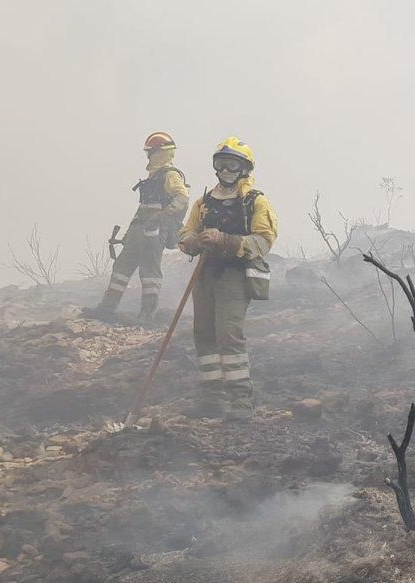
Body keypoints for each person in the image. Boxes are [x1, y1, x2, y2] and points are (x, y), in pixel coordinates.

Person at [177, 137, 278, 421]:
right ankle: (212, 399)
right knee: (204, 335)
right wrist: (195, 240)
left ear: (244, 167)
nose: (226, 169)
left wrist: (226, 240)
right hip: (205, 275)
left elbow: (264, 241)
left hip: (235, 276)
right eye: (221, 163)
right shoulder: (203, 202)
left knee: (228, 335)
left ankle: (240, 402)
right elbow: (184, 235)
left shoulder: (255, 202)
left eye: (232, 163)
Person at [84, 132, 188, 323]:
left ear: (159, 153)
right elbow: (144, 209)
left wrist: (161, 217)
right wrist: (129, 235)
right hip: (139, 231)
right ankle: (106, 309)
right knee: (121, 268)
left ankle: (146, 315)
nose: (148, 156)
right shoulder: (154, 176)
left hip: (154, 233)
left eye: (150, 152)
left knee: (149, 273)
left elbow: (182, 199)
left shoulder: (170, 175)